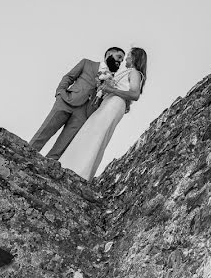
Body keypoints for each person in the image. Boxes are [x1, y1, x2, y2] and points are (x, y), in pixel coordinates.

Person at [59, 47, 147, 180]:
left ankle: (80, 171)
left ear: (135, 57)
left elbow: (134, 94)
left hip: (114, 104)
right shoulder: (127, 72)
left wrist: (111, 89)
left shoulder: (135, 72)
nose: (126, 59)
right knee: (91, 131)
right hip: (110, 102)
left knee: (97, 133)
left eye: (128, 55)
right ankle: (71, 165)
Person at [28, 47, 125, 159]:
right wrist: (60, 93)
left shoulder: (113, 81)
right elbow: (69, 77)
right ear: (109, 54)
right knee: (44, 132)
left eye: (122, 60)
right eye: (119, 57)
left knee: (62, 145)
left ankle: (44, 168)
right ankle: (24, 154)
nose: (120, 61)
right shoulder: (87, 63)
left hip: (84, 113)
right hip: (66, 101)